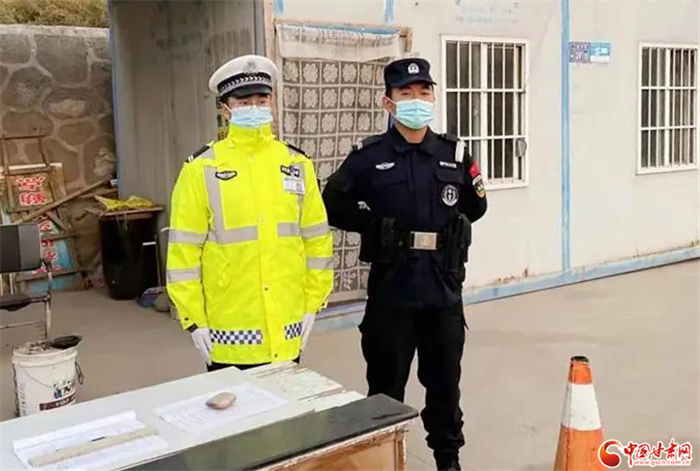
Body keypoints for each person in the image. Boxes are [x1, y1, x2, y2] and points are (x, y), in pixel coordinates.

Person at [322, 57, 487, 471]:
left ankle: (448, 461)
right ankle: (382, 462)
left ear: (433, 97)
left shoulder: (454, 154)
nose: (417, 99)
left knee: (445, 386)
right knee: (385, 389)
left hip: (442, 290)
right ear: (389, 102)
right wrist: (371, 225)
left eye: (424, 92)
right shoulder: (368, 157)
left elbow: (476, 205)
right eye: (406, 93)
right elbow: (332, 203)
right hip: (392, 291)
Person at [166, 54, 333, 372]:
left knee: (288, 403)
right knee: (236, 405)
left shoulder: (297, 164)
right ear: (225, 109)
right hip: (229, 333)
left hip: (287, 326)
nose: (255, 107)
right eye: (243, 102)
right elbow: (183, 253)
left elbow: (317, 241)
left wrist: (313, 302)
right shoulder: (201, 169)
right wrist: (193, 318)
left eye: (262, 99)